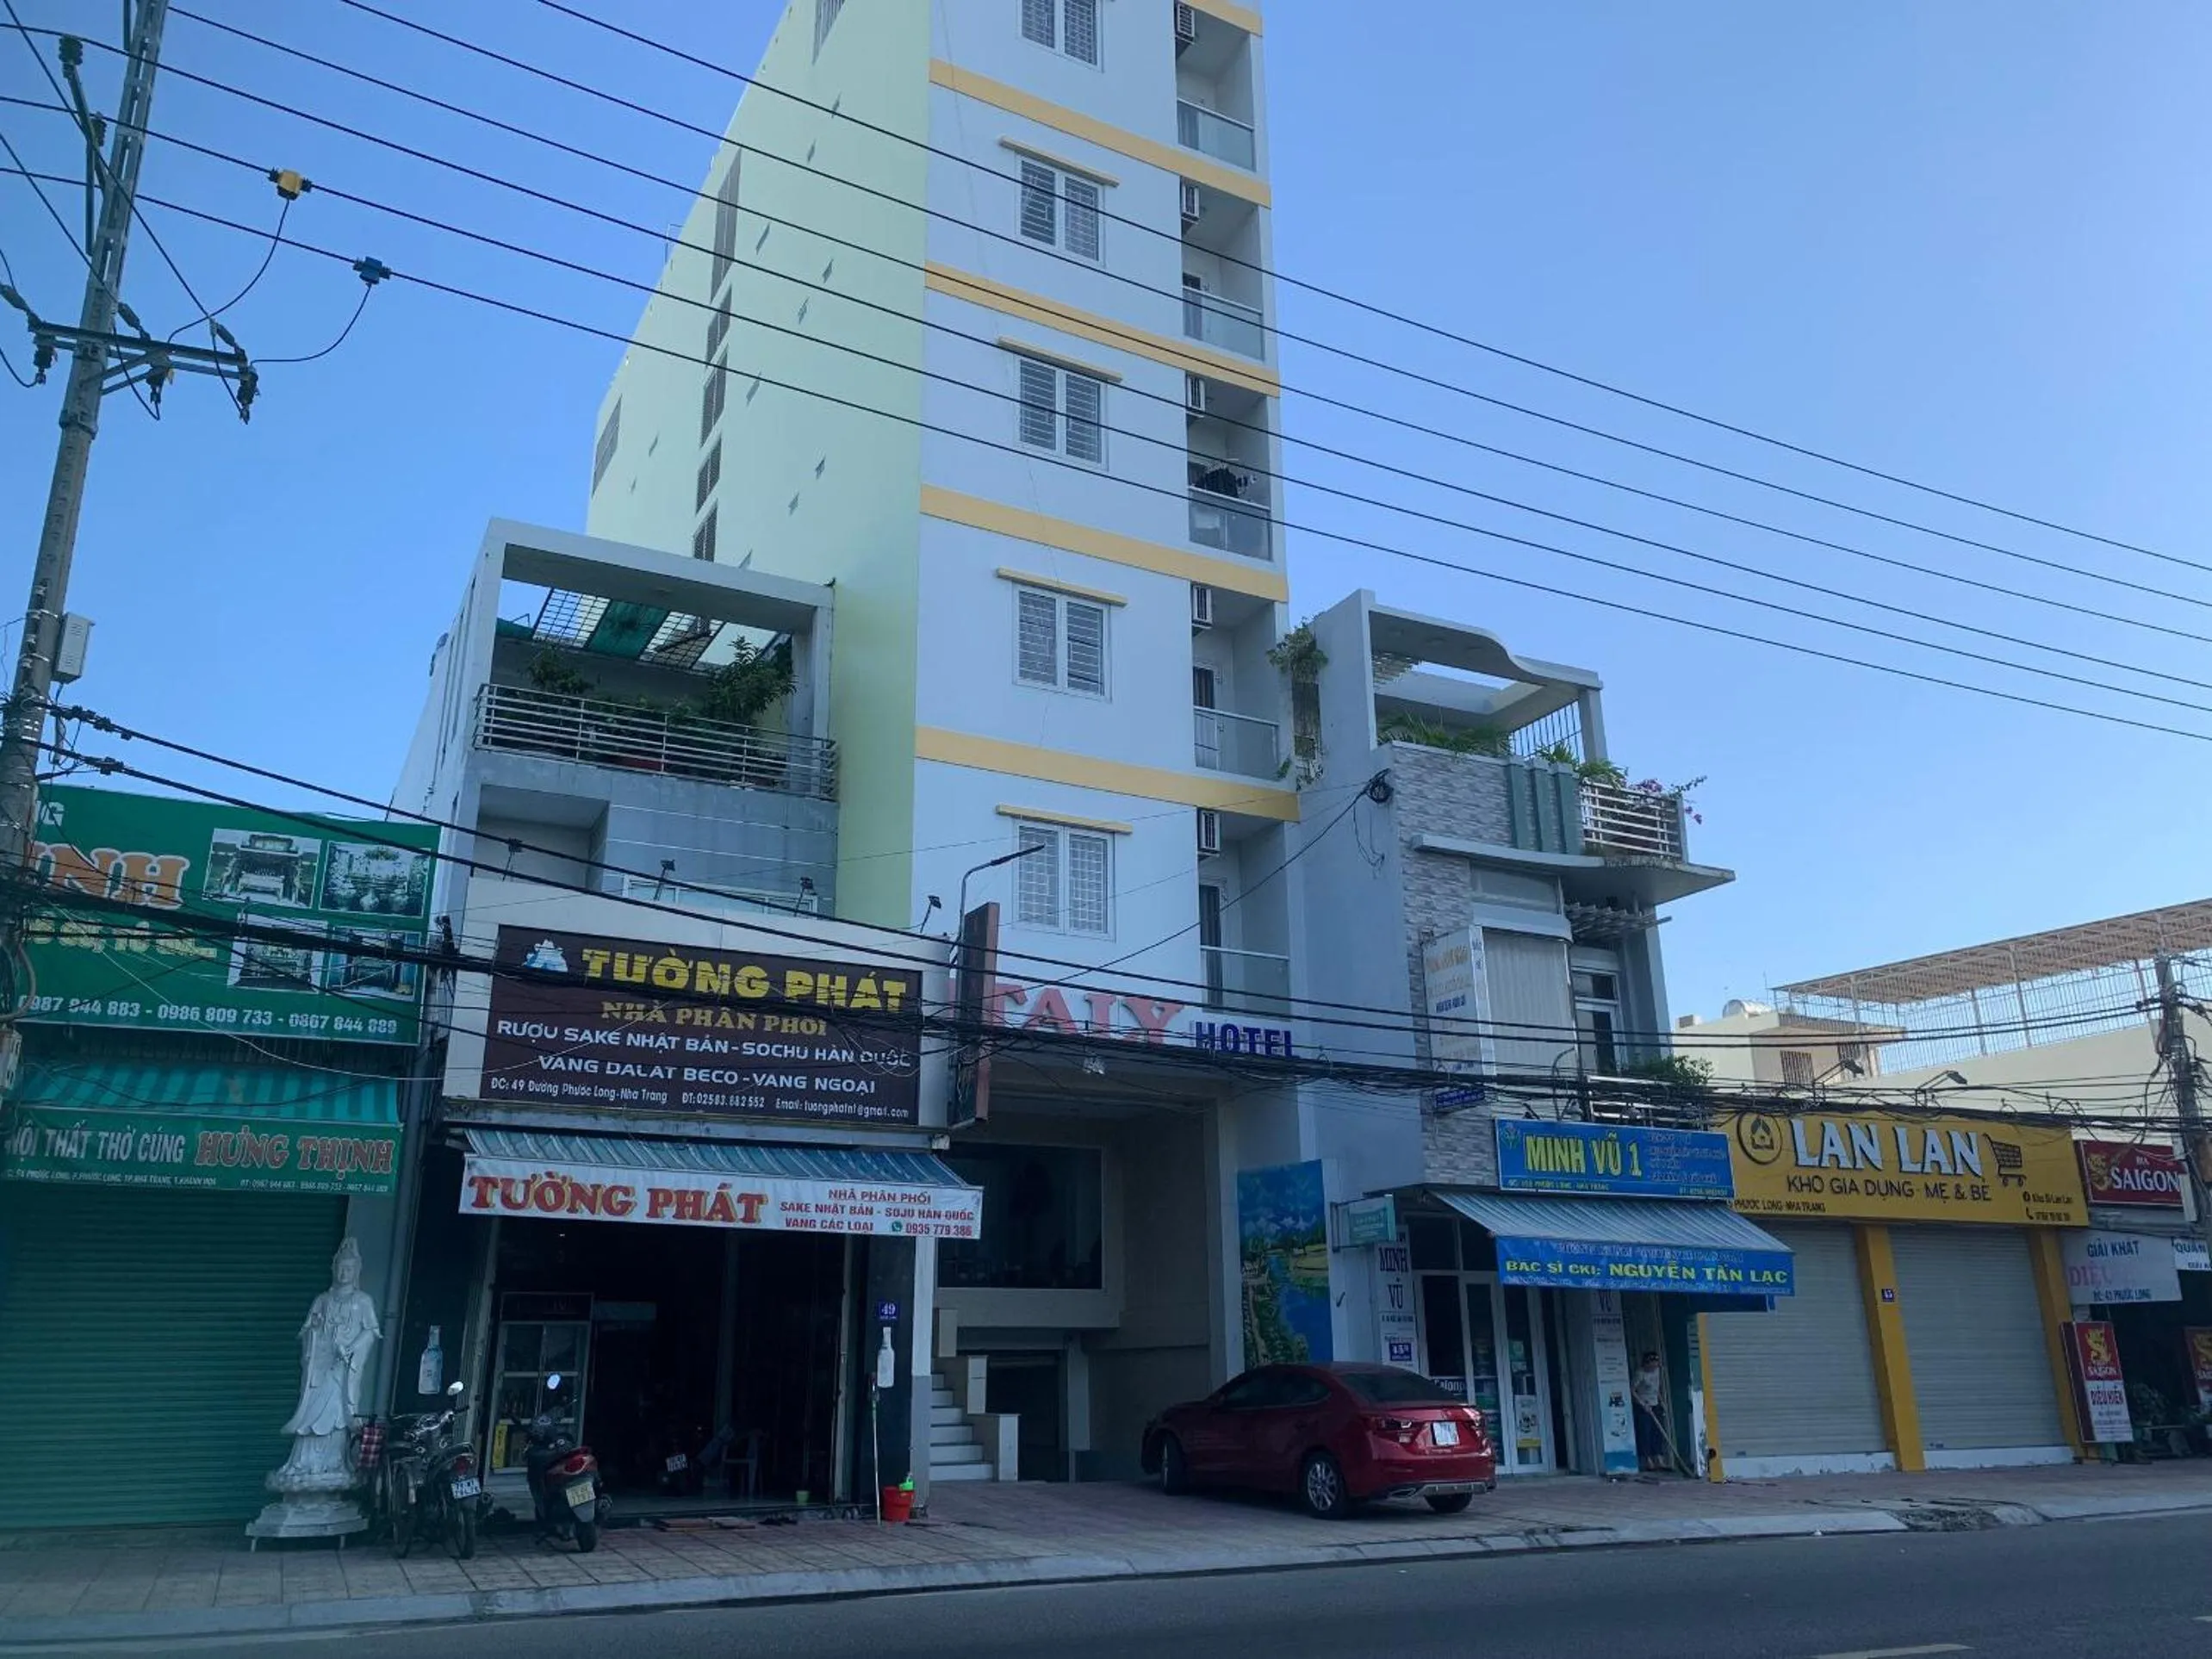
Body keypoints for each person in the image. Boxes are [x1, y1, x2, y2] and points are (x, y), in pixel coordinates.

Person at [272, 1238, 382, 1490]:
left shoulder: (362, 1301)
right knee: (311, 1413)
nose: (344, 1273)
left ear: (356, 1272)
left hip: (342, 1371)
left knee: (337, 1416)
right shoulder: (323, 1299)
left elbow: (371, 1331)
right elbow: (307, 1331)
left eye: (349, 1269)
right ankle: (303, 1464)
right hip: (320, 1368)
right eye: (341, 1268)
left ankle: (334, 1463)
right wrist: (317, 1336)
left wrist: (351, 1349)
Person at [1631, 1351, 1668, 1473]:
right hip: (1643, 1406)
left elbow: (1656, 1388)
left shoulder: (1657, 1372)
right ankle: (1648, 1461)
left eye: (1656, 1364)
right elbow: (1632, 1390)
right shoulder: (1640, 1374)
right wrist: (1642, 1404)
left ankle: (1659, 1458)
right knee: (1645, 1433)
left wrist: (1661, 1401)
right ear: (1646, 1364)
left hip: (1655, 1404)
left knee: (1657, 1433)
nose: (1654, 1367)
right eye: (1652, 1364)